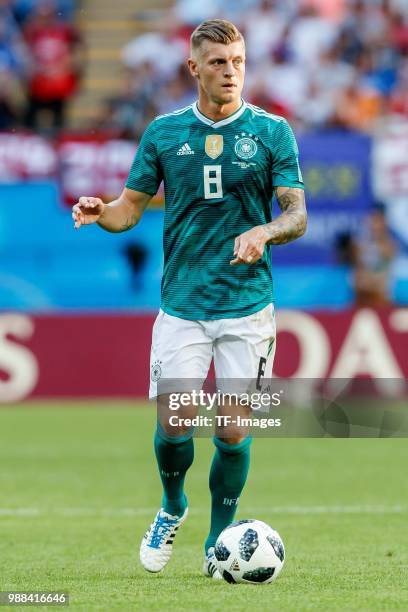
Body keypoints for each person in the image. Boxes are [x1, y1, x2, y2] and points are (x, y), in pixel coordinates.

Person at [72, 19, 306, 579]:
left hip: (249, 306)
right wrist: (102, 212)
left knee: (231, 429)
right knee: (176, 426)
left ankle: (219, 534)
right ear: (194, 67)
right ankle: (172, 504)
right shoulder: (164, 133)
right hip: (182, 304)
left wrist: (264, 232)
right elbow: (129, 209)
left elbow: (296, 215)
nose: (231, 72)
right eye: (220, 63)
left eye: (239, 61)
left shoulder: (273, 131)